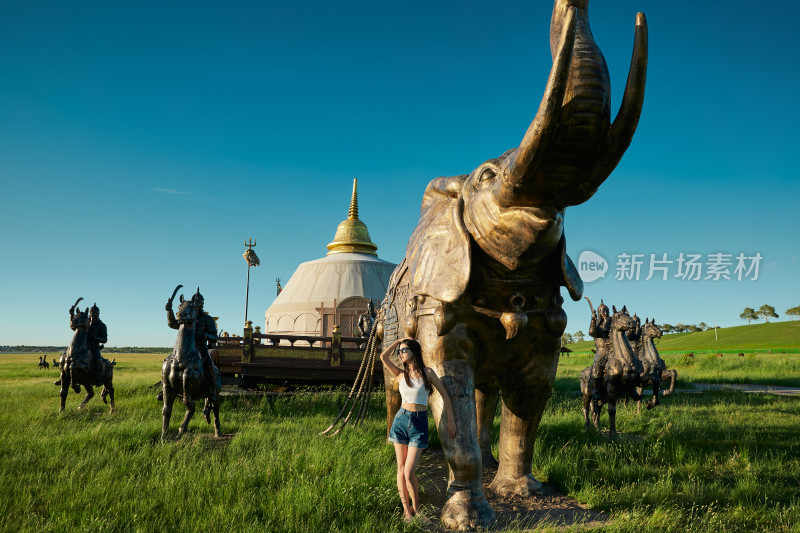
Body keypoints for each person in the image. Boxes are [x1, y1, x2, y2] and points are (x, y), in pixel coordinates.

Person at [379, 337, 458, 523]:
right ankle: (407, 511)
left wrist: (451, 421)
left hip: (419, 422)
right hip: (400, 421)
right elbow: (383, 357)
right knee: (400, 469)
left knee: (409, 472)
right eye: (399, 351)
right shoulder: (400, 374)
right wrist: (398, 341)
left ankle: (417, 510)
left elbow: (445, 395)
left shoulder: (427, 373)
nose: (401, 353)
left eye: (404, 350)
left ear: (414, 351)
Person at [166, 288, 219, 404]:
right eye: (195, 302)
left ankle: (212, 392)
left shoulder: (207, 319)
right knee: (167, 364)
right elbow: (173, 324)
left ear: (202, 303)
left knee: (210, 367)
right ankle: (165, 388)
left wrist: (205, 335)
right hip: (183, 349)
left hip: (200, 348)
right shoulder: (187, 315)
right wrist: (169, 311)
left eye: (199, 302)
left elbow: (215, 337)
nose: (197, 304)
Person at [589, 300, 612, 400]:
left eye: (606, 310)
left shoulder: (612, 322)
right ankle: (597, 390)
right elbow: (592, 333)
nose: (605, 313)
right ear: (598, 312)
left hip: (613, 350)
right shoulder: (597, 323)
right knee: (597, 368)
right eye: (602, 311)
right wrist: (593, 320)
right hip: (602, 350)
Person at [87, 303, 108, 386]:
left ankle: (98, 378)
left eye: (94, 312)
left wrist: (96, 338)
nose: (92, 313)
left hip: (94, 347)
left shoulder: (101, 325)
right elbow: (74, 327)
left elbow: (105, 339)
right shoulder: (86, 322)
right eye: (91, 312)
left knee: (98, 361)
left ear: (97, 313)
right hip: (83, 346)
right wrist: (71, 315)